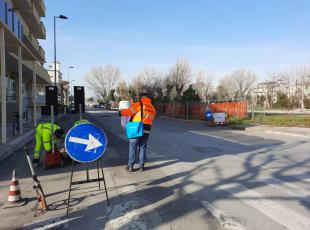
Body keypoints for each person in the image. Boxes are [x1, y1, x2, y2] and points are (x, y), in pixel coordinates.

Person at [120, 92, 156, 172]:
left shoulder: (139, 104)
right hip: (147, 130)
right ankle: (141, 166)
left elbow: (129, 112)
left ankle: (130, 166)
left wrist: (121, 112)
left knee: (133, 147)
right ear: (149, 98)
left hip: (136, 129)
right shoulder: (153, 108)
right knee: (142, 148)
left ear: (142, 97)